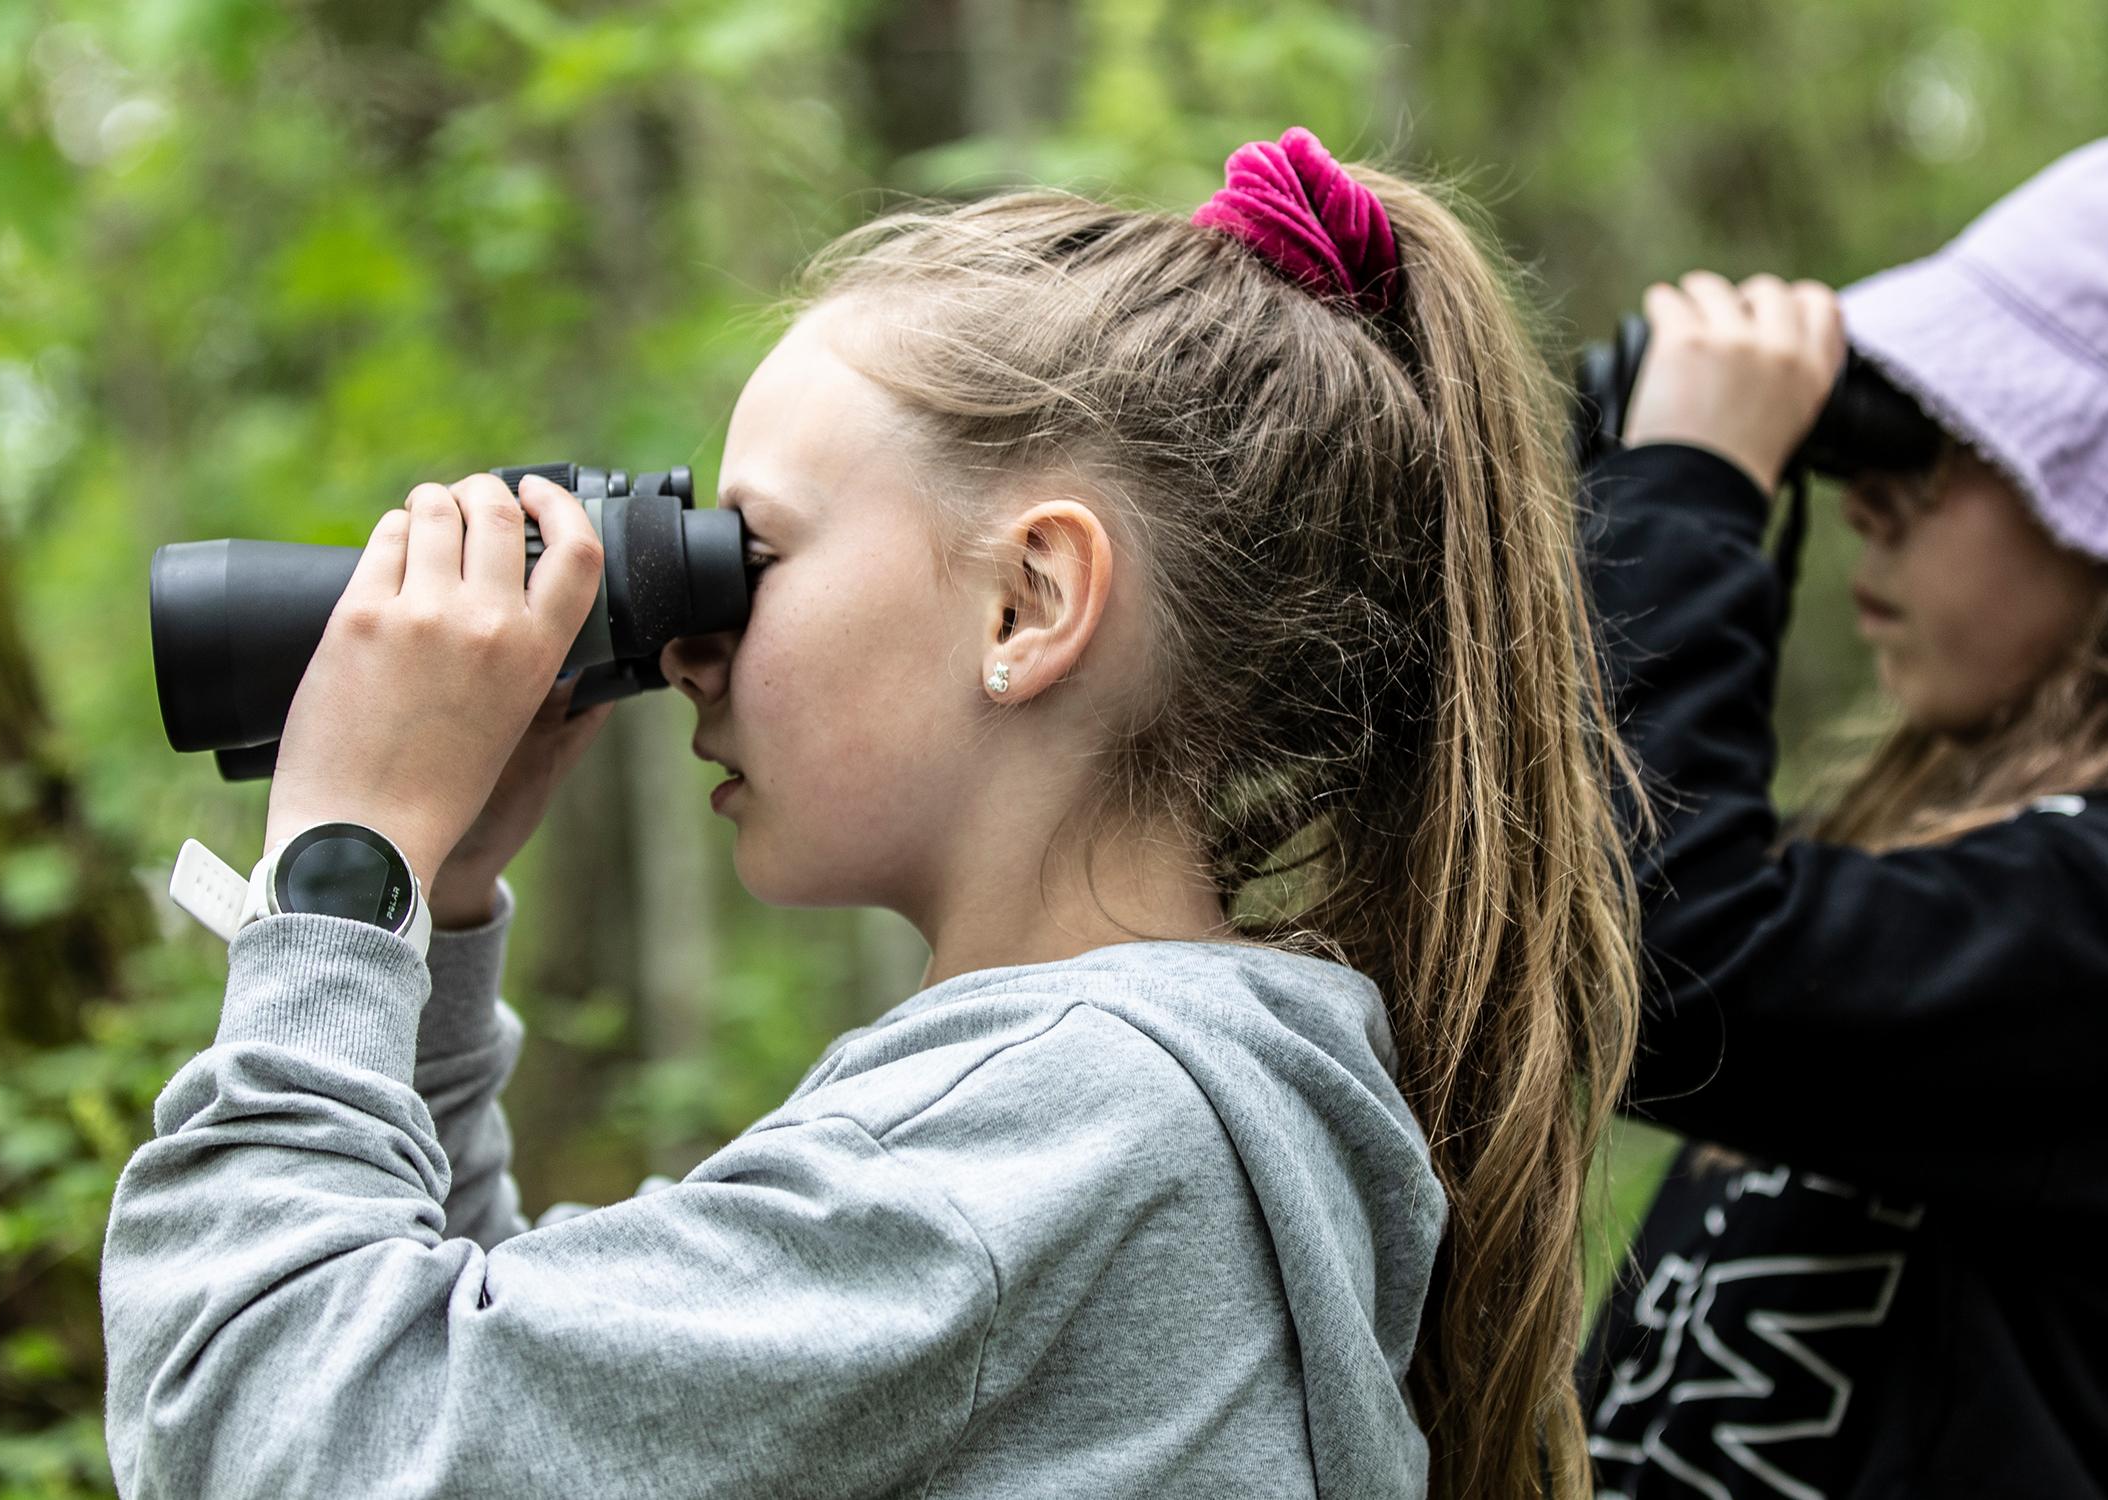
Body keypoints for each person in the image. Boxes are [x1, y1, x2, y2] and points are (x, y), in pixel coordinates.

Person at [99, 129, 1639, 1499]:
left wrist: (344, 864)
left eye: (753, 556)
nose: (686, 650)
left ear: (1029, 602)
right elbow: (530, 1416)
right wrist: (434, 919)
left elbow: (263, 1435)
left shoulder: (1049, 1138)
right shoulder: (1152, 1109)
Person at [1569, 128, 2108, 1500]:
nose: (1865, 498)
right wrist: (1610, 511)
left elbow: (1669, 964)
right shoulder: (2037, 890)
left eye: (1945, 443)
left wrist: (1691, 494)